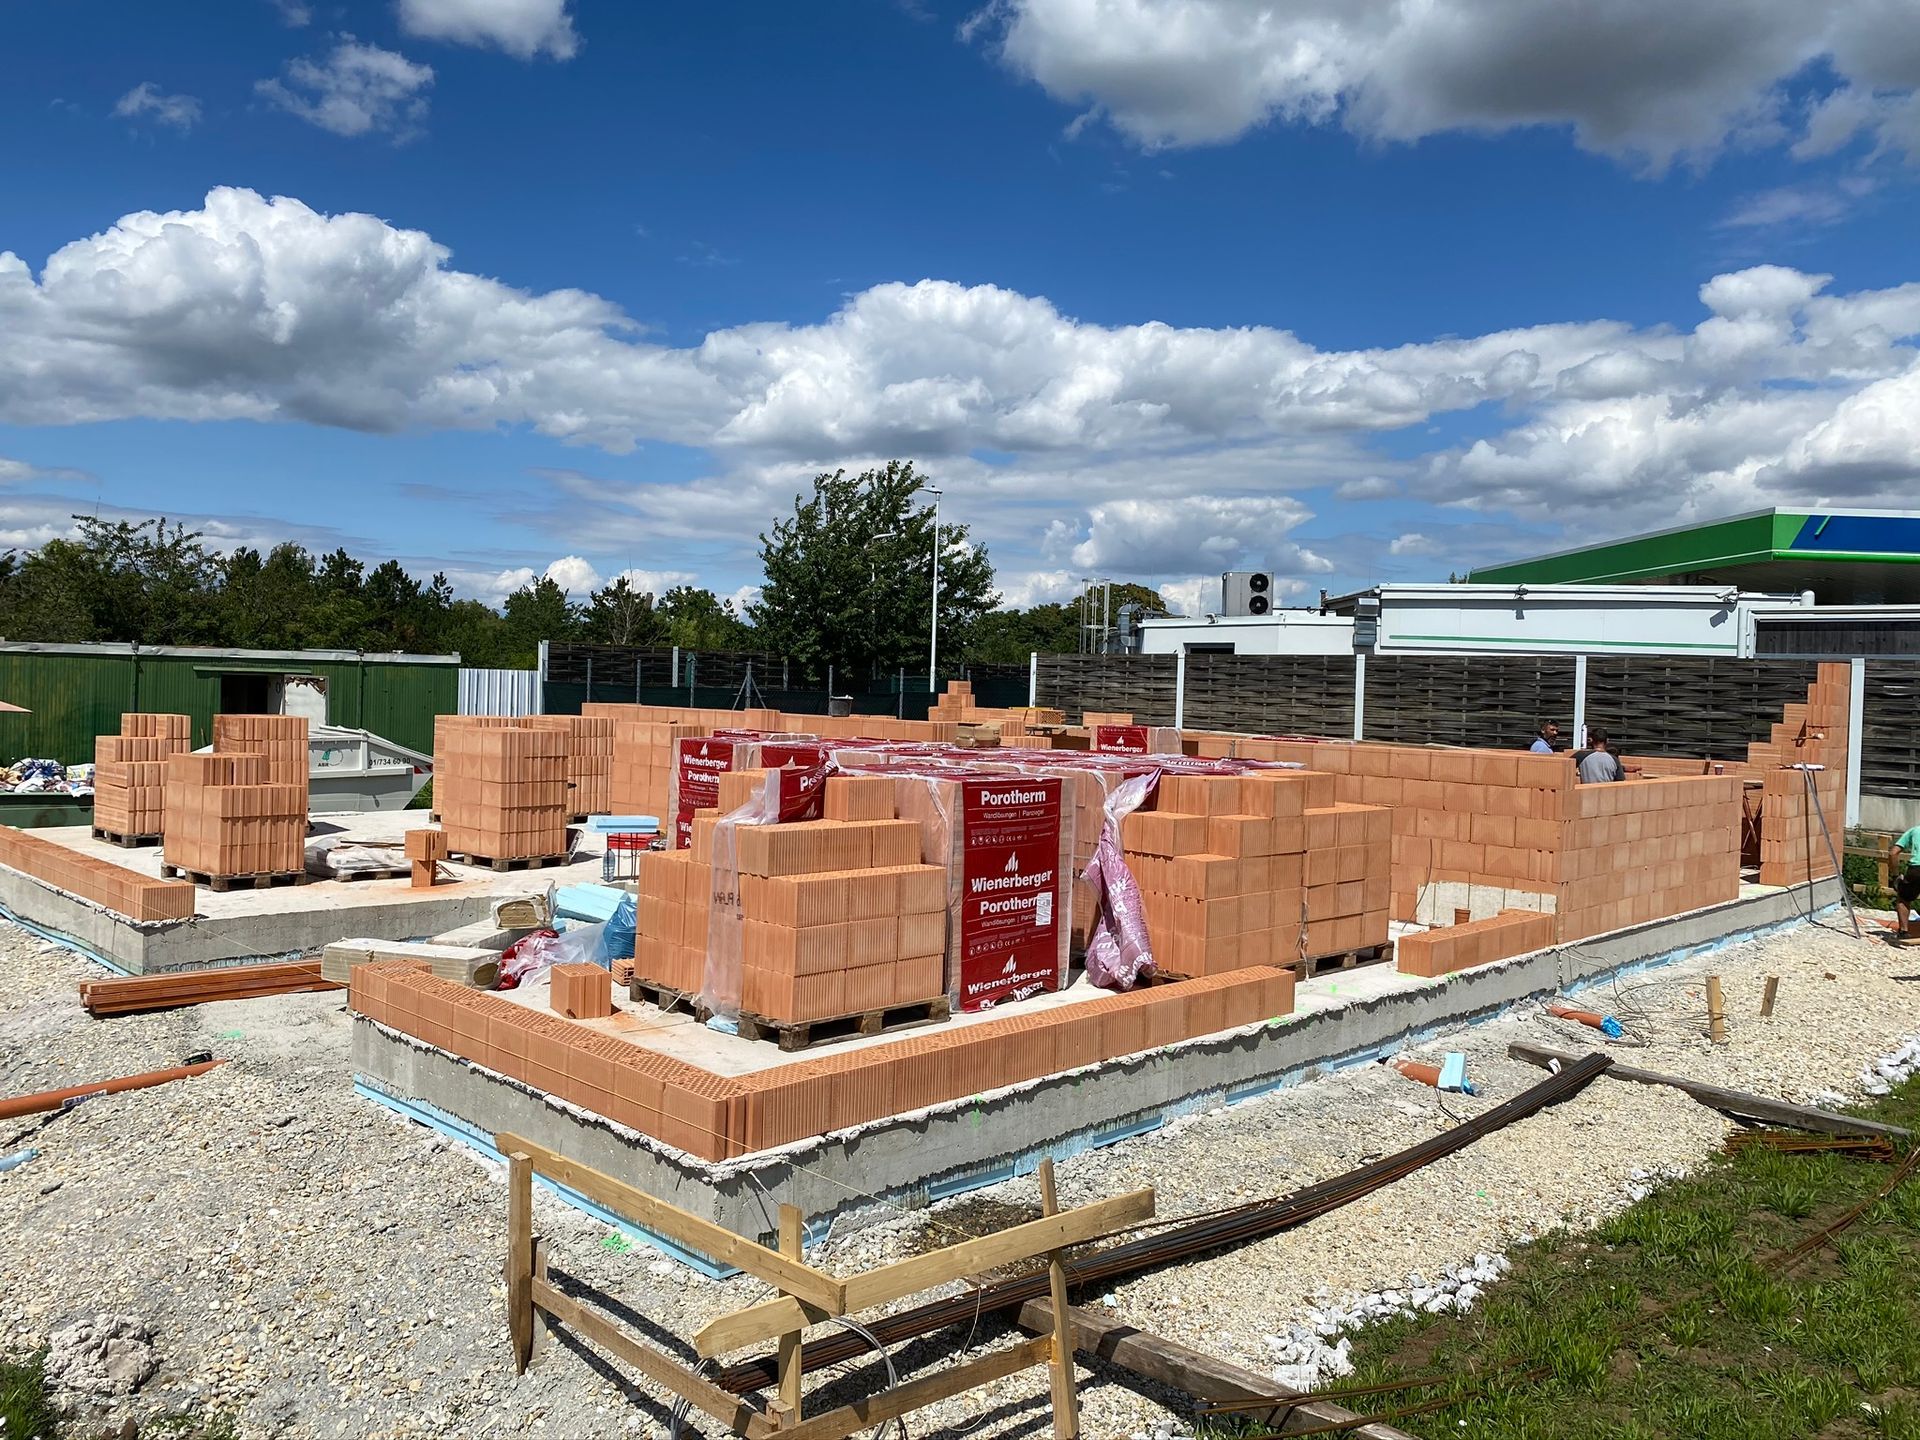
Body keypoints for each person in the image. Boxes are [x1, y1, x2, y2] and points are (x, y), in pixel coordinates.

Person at [1892, 824, 1920, 944]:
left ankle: (1904, 931)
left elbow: (1893, 853)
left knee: (1903, 898)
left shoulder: (1914, 831)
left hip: (1916, 869)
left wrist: (1895, 876)